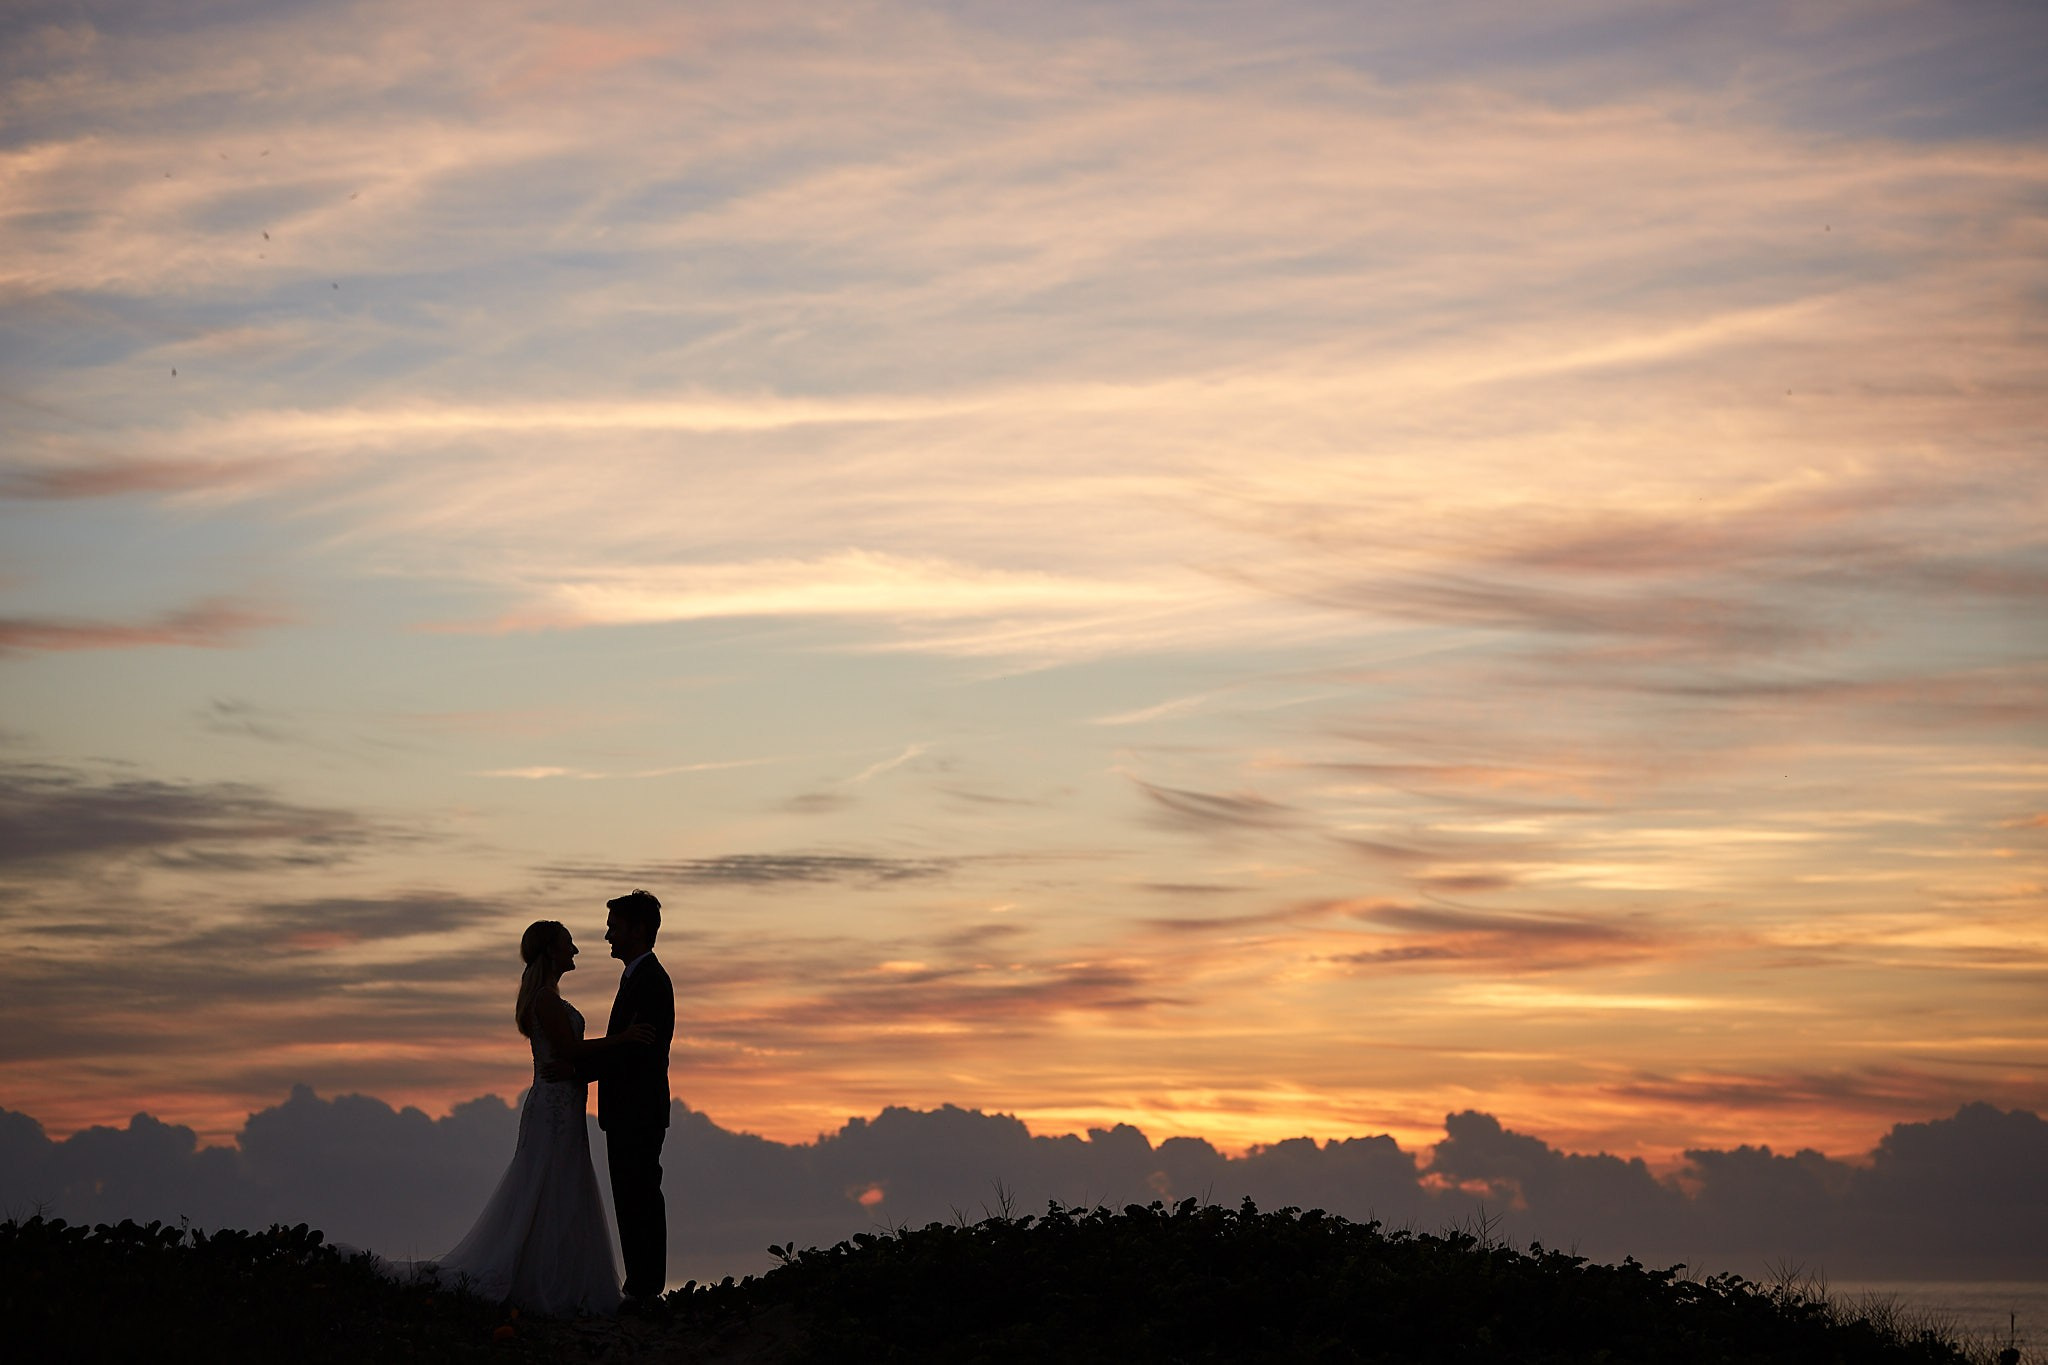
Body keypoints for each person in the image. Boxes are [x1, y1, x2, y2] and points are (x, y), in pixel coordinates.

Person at [429, 919, 652, 1316]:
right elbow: (568, 1050)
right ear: (550, 951)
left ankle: (560, 1278)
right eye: (568, 943)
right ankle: (543, 1280)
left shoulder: (550, 997)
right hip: (553, 1108)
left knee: (563, 1184)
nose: (575, 950)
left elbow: (570, 1056)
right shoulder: (546, 1000)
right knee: (547, 1182)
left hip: (564, 1104)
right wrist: (622, 1039)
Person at [582, 888, 675, 1306]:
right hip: (627, 1111)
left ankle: (645, 1288)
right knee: (631, 1195)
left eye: (614, 928)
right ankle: (641, 1284)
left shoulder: (651, 981)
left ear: (638, 930)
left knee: (639, 1196)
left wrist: (576, 1070)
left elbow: (637, 1052)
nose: (607, 936)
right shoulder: (637, 979)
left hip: (637, 1111)